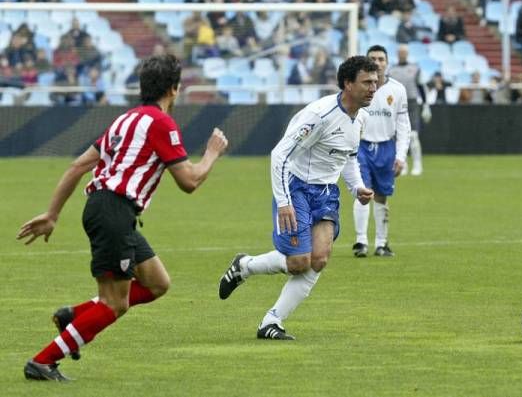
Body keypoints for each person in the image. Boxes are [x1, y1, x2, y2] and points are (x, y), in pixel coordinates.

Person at [17, 54, 229, 381]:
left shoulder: (123, 121)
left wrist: (53, 214)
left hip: (108, 209)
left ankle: (73, 316)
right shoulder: (161, 123)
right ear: (174, 89)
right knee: (114, 303)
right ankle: (43, 361)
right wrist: (212, 153)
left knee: (157, 283)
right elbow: (189, 182)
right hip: (114, 210)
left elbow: (77, 166)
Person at [218, 56, 377, 340]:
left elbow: (349, 157)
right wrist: (284, 201)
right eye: (366, 82)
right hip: (297, 188)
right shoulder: (319, 115)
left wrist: (358, 188)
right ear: (347, 84)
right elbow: (279, 154)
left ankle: (271, 322)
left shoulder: (361, 117)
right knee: (298, 262)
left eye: (375, 82)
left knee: (320, 258)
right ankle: (244, 267)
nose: (373, 88)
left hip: (327, 193)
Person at [352, 45, 411, 258]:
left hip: (387, 147)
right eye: (372, 59)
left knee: (382, 196)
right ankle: (360, 242)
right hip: (361, 147)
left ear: (387, 62)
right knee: (363, 193)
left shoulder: (397, 90)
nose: (377, 63)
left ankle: (381, 243)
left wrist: (401, 156)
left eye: (381, 59)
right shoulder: (359, 88)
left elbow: (404, 125)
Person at [388, 44, 430, 176]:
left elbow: (421, 87)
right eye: (400, 52)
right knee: (398, 136)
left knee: (413, 135)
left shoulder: (415, 69)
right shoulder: (391, 70)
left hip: (411, 103)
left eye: (404, 52)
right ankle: (402, 163)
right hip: (395, 104)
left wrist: (426, 105)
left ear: (407, 54)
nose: (402, 54)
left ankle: (417, 164)